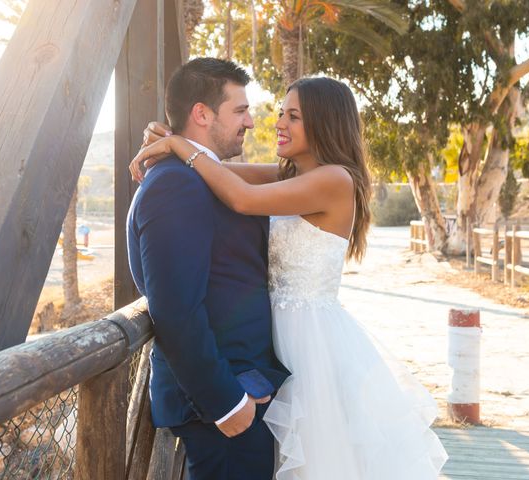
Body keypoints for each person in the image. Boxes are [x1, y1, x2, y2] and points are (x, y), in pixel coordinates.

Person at [131, 75, 448, 479]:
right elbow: (216, 170)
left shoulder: (336, 180)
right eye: (281, 113)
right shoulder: (288, 177)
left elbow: (241, 197)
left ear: (325, 123)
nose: (278, 122)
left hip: (307, 340)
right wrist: (178, 140)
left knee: (315, 458)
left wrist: (177, 144)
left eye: (293, 116)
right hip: (274, 338)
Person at [126, 58, 289, 480]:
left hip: (245, 387)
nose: (251, 122)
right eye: (240, 110)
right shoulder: (174, 185)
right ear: (202, 113)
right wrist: (226, 402)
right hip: (223, 403)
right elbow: (176, 310)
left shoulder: (197, 175)